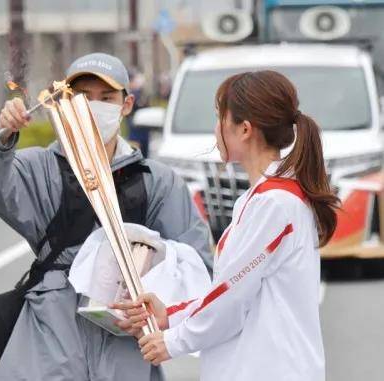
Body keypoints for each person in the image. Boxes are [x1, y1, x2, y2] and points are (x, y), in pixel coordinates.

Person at [0, 52, 212, 381]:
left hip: (125, 346)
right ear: (64, 102)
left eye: (107, 98)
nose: (94, 107)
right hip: (50, 338)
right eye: (83, 97)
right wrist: (2, 135)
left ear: (126, 105)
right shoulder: (42, 167)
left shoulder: (155, 180)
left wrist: (155, 293)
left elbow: (195, 263)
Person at [114, 70, 340, 381]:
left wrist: (174, 341)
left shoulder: (275, 204)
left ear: (244, 129)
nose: (216, 128)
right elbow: (231, 290)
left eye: (221, 117)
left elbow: (231, 298)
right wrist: (171, 314)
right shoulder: (261, 198)